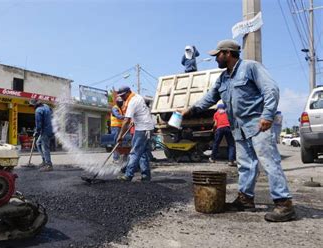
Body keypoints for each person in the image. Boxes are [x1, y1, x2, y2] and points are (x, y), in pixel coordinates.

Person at [181, 39, 296, 222]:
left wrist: (267, 115)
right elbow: (210, 98)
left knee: (269, 163)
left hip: (258, 124)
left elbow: (270, 89)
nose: (215, 59)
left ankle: (284, 204)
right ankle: (246, 200)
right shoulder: (223, 78)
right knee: (245, 166)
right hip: (239, 128)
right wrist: (190, 110)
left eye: (217, 55)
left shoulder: (251, 67)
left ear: (227, 53)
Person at [116, 86, 155, 182]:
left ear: (128, 92)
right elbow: (140, 112)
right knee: (143, 153)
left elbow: (126, 121)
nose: (123, 98)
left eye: (123, 95)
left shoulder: (132, 102)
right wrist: (134, 119)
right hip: (148, 127)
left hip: (142, 128)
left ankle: (128, 175)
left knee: (135, 152)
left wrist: (120, 136)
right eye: (121, 96)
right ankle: (146, 176)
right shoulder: (138, 96)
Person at [29, 99, 54, 171]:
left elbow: (38, 124)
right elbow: (52, 112)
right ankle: (44, 160)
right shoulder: (46, 106)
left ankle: (49, 165)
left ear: (35, 105)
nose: (32, 107)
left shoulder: (38, 111)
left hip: (46, 131)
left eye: (32, 106)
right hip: (51, 129)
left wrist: (36, 133)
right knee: (38, 143)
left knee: (45, 147)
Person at [111, 96, 125, 163]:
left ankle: (119, 158)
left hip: (119, 127)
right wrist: (125, 117)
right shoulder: (115, 108)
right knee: (116, 142)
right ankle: (115, 158)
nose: (122, 103)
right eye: (121, 102)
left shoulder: (120, 108)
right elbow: (118, 116)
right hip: (115, 127)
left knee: (120, 143)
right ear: (118, 102)